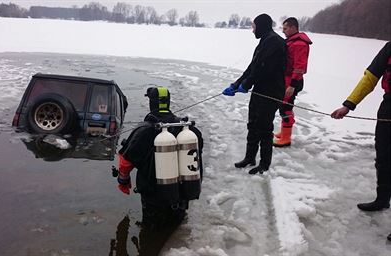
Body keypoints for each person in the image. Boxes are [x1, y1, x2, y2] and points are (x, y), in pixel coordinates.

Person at [115, 86, 204, 231]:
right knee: (175, 228)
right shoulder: (189, 130)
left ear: (151, 103)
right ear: (168, 102)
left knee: (151, 232)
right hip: (183, 193)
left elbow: (126, 161)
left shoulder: (143, 130)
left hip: (153, 197)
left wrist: (123, 181)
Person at [331, 41, 390, 241]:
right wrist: (349, 104)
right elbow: (370, 78)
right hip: (388, 108)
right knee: (383, 157)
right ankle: (382, 199)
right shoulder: (390, 47)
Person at [222, 13, 286, 175]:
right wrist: (236, 84)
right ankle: (250, 158)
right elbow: (253, 66)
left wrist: (246, 84)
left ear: (262, 25)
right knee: (252, 124)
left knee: (264, 128)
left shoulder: (274, 42)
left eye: (254, 27)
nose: (252, 30)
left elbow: (263, 68)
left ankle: (264, 164)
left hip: (271, 92)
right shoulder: (265, 41)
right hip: (260, 90)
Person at [273, 17, 313, 147]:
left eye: (285, 28)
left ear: (293, 28)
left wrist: (292, 85)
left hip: (292, 81)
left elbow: (299, 66)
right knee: (283, 106)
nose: (283, 31)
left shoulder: (299, 44)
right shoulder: (292, 41)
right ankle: (284, 132)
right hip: (286, 79)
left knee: (286, 108)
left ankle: (286, 138)